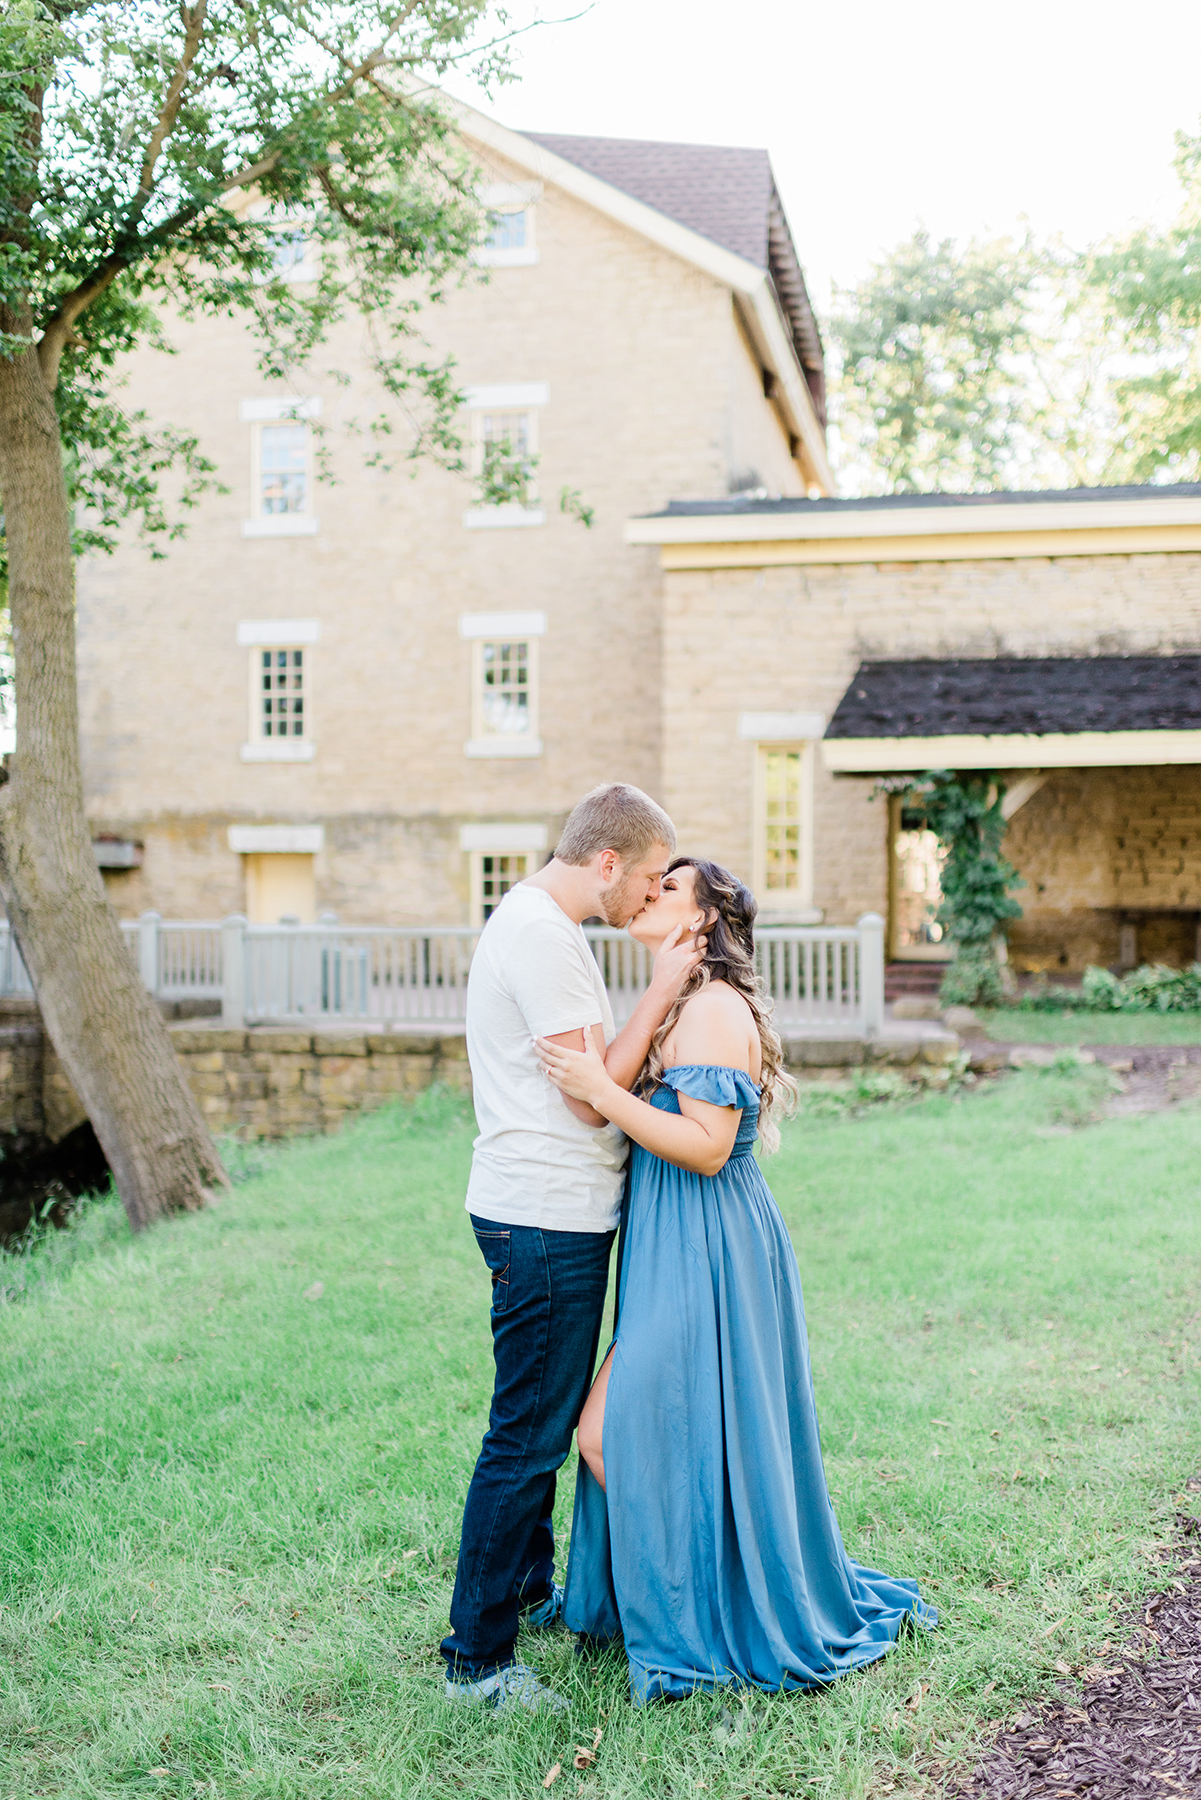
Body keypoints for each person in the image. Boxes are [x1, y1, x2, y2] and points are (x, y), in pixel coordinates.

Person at [536, 856, 936, 1704]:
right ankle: (694, 1589)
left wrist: (599, 1093)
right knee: (666, 1428)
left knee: (608, 1432)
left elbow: (708, 1148)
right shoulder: (679, 1000)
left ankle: (706, 1607)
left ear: (704, 921)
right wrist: (604, 1077)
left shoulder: (714, 1011)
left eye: (668, 887)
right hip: (671, 1240)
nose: (648, 892)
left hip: (709, 1240)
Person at [442, 784, 708, 1713]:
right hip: (545, 1216)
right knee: (528, 1435)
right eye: (642, 880)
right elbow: (589, 1097)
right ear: (607, 863)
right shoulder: (548, 940)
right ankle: (477, 1660)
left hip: (542, 1208)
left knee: (536, 1422)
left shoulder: (533, 922)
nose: (646, 897)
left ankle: (524, 1591)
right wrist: (664, 990)